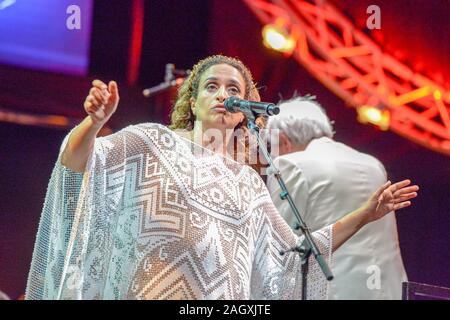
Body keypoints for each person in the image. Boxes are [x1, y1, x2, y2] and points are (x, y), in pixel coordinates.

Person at [25, 55, 418, 300]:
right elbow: (76, 163)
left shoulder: (248, 183)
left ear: (243, 109)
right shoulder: (149, 141)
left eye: (234, 88)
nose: (222, 94)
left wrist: (365, 214)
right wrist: (92, 125)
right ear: (191, 101)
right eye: (211, 86)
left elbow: (292, 255)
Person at [266, 96, 410, 299]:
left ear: (282, 140)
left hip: (333, 291)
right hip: (390, 290)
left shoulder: (289, 165)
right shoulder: (373, 164)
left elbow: (280, 249)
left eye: (271, 147)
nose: (271, 156)